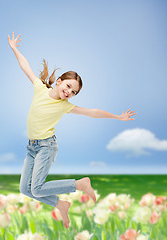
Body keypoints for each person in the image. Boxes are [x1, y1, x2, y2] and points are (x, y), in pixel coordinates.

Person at [8, 32, 137, 229]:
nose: (69, 92)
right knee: (26, 190)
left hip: (46, 147)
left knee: (37, 188)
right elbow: (25, 66)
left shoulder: (64, 106)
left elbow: (92, 112)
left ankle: (80, 184)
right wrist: (15, 48)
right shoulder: (40, 88)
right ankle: (61, 204)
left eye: (73, 92)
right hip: (31, 147)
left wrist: (118, 116)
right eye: (68, 86)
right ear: (59, 81)